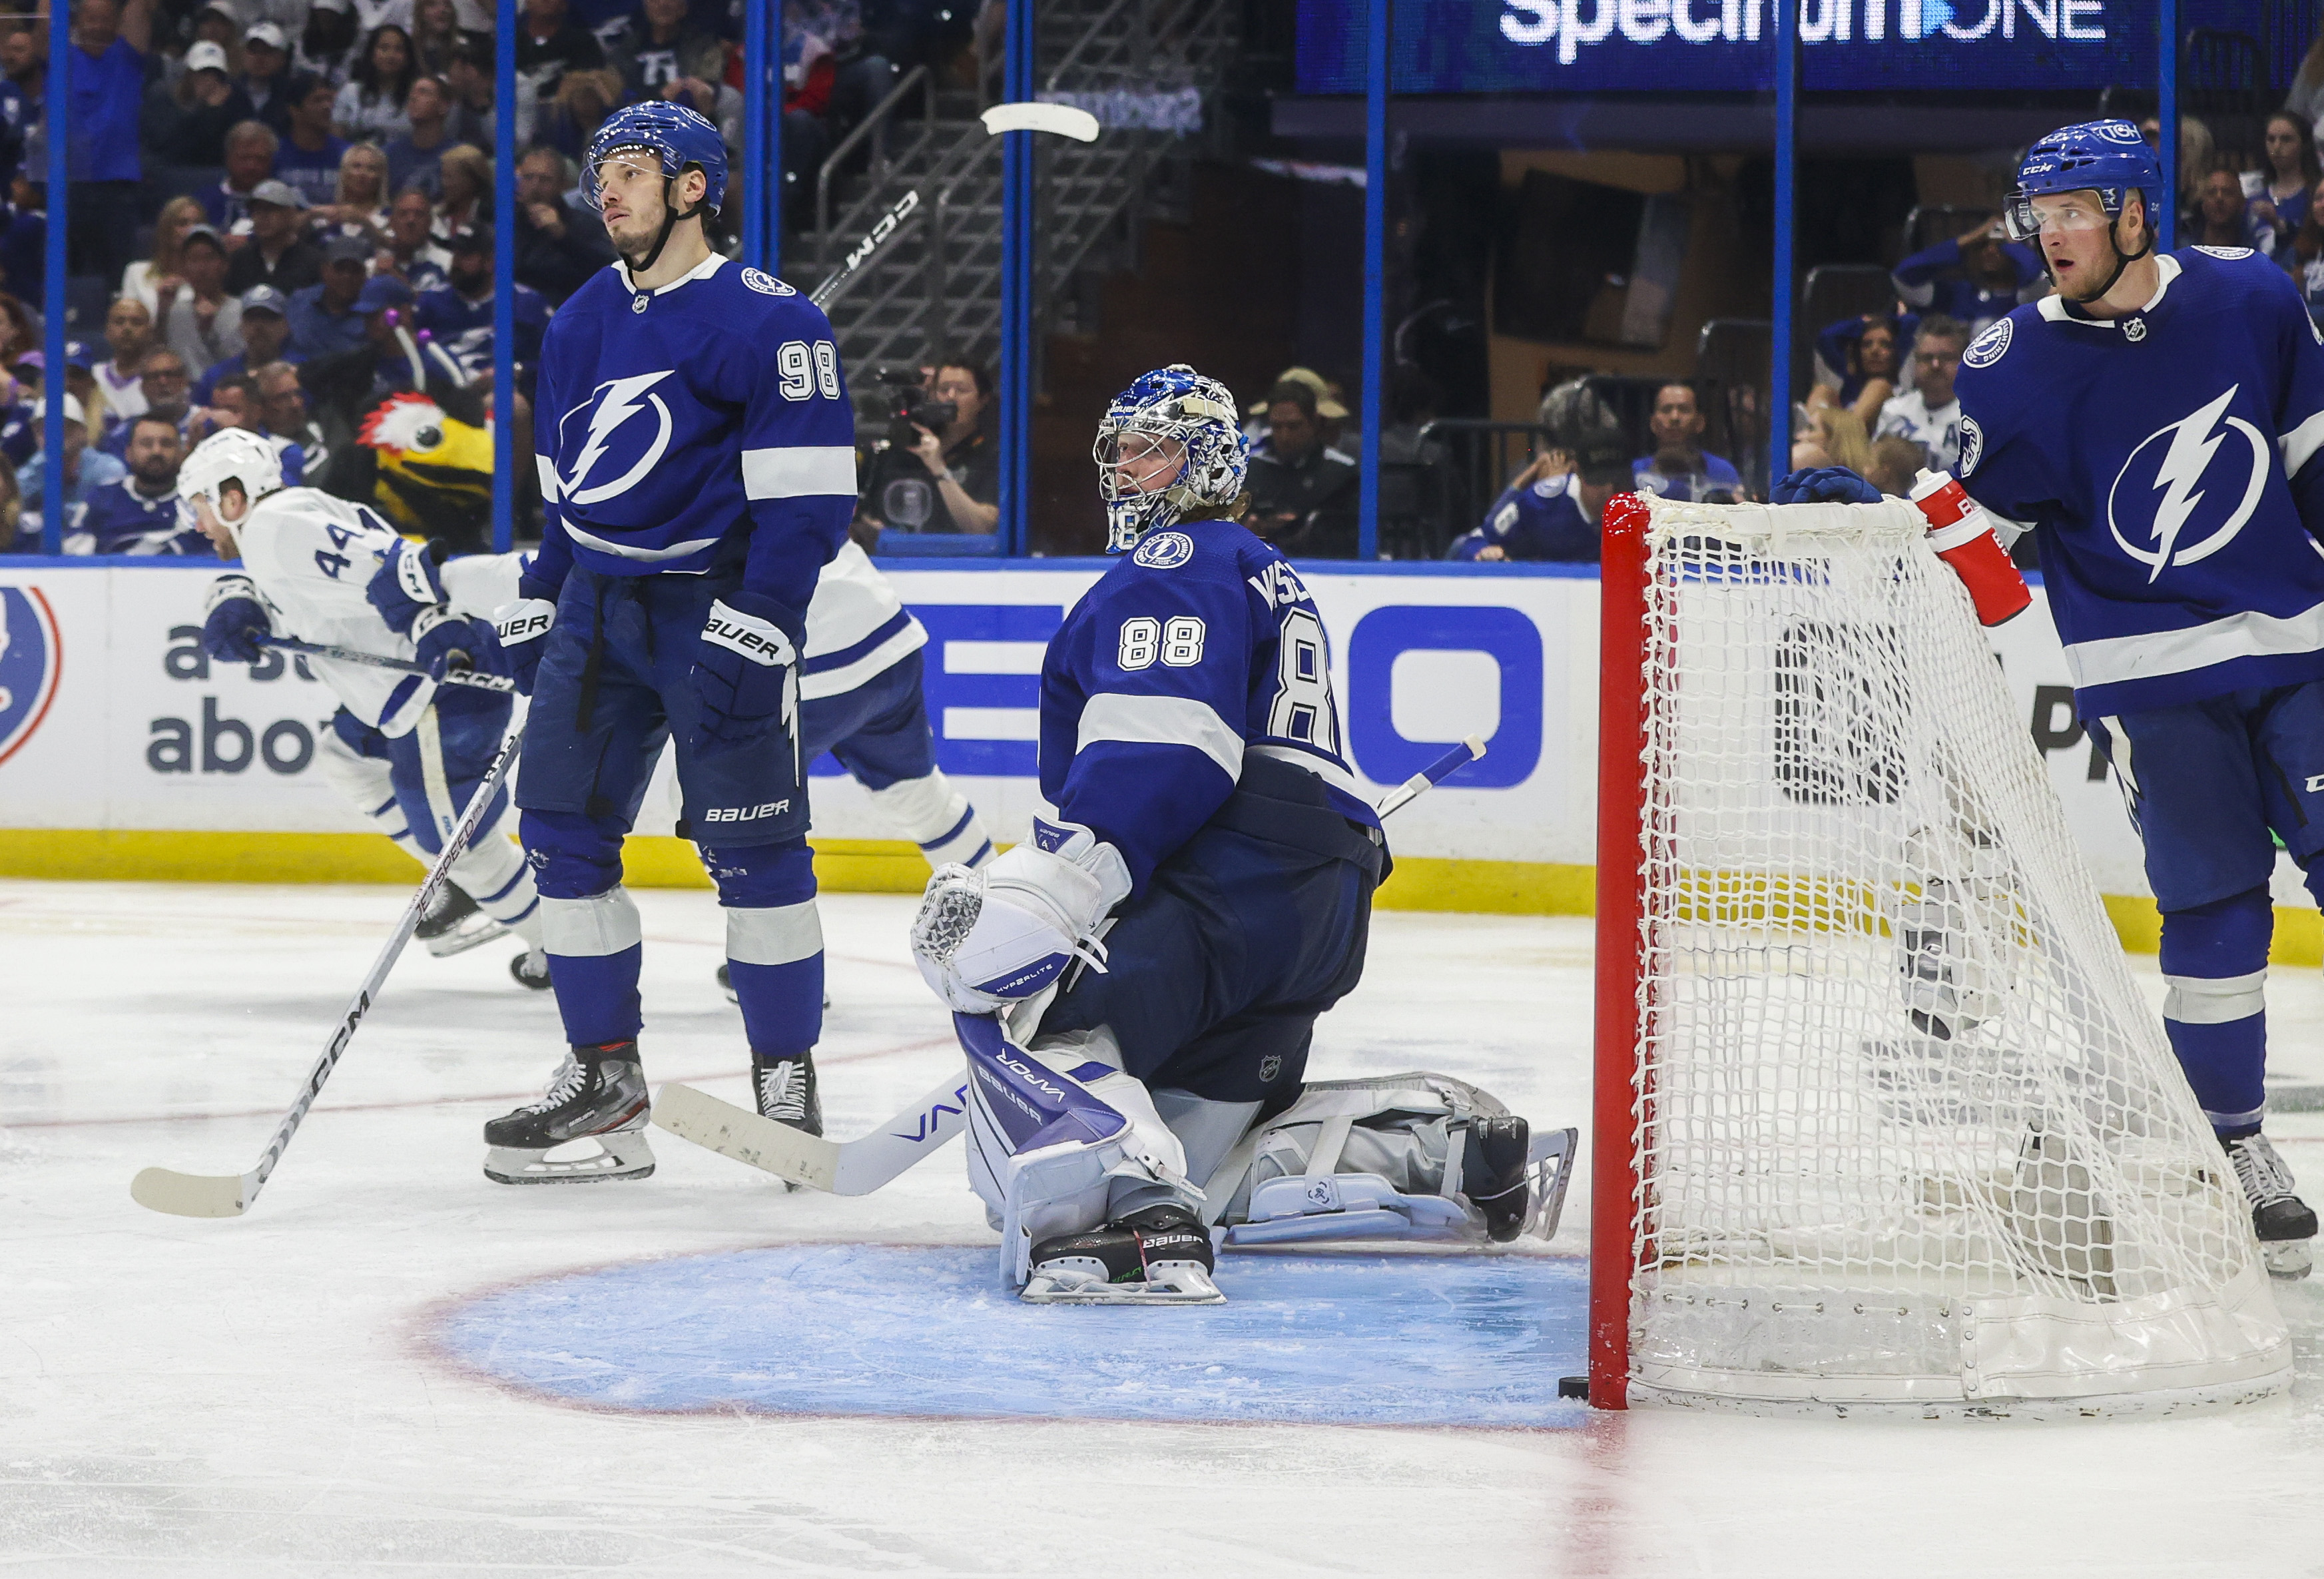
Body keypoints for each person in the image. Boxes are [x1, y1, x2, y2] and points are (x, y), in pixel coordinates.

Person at [1793, 119, 2324, 1281]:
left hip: (2300, 647)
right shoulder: (2006, 362)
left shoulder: (2253, 300)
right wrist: (1896, 513)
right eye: (2040, 215)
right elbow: (1987, 544)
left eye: (2077, 210)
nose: (2053, 235)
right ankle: (2237, 1148)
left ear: (2139, 214)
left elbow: (2313, 460)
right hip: (2150, 677)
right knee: (2216, 911)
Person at [906, 364, 1552, 1303]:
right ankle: (1433, 1151)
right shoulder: (1256, 565)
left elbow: (1167, 747)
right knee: (1191, 1136)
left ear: (1203, 460)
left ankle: (1139, 1222)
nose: (1124, 468)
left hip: (1229, 872)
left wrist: (1062, 888)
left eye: (1149, 448)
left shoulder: (1175, 561)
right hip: (1319, 899)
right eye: (1120, 448)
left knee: (1058, 1037)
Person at [476, 102, 852, 1185]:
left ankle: (786, 1077)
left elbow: (809, 502)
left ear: (695, 187)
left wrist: (763, 622)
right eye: (604, 174)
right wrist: (542, 595)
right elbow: (570, 487)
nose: (611, 192)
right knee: (556, 832)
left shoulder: (772, 324)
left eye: (634, 172)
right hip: (599, 608)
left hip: (714, 607)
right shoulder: (583, 318)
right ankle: (605, 1073)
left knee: (757, 852)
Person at [182, 428, 549, 986]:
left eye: (200, 507)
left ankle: (565, 954)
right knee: (344, 757)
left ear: (231, 496)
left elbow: (401, 569)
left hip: (438, 689)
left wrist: (434, 623)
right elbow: (337, 589)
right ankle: (467, 885)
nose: (198, 524)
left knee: (462, 846)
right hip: (404, 697)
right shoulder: (284, 520)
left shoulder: (275, 526)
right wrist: (240, 597)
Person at [856, 363, 998, 536]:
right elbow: (856, 520)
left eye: (961, 390)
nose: (951, 397)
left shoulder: (993, 454)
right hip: (891, 559)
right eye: (944, 389)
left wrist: (939, 469)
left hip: (961, 559)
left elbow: (983, 528)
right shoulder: (894, 451)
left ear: (983, 399)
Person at [414, 225, 546, 391]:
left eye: (466, 256)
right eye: (455, 255)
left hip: (501, 392)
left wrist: (516, 371)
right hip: (442, 389)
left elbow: (554, 358)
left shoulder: (527, 302)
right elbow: (412, 351)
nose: (456, 263)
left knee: (511, 404)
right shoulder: (431, 301)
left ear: (489, 262)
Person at [1449, 444, 1628, 562]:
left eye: (1617, 482)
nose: (1609, 490)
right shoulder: (1540, 501)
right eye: (1598, 481)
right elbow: (1482, 536)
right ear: (1578, 473)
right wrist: (1486, 553)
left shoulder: (1647, 499)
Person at [1243, 378, 1359, 556]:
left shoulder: (1341, 473)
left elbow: (1352, 539)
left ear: (1314, 422)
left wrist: (1305, 529)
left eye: (1294, 426)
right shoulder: (1250, 470)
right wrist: (1246, 530)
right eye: (1277, 426)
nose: (1285, 436)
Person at [70, 412, 205, 554]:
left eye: (166, 444)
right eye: (146, 444)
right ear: (128, 453)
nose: (156, 451)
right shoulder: (101, 499)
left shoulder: (200, 505)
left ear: (181, 454)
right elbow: (75, 557)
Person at [1892, 217, 2047, 337]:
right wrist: (1971, 238)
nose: (1990, 251)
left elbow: (2038, 274)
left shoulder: (2027, 296)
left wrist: (2012, 243)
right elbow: (1904, 276)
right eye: (1983, 245)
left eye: (1999, 246)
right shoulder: (1956, 295)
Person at [16, 393, 127, 542]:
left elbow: (111, 513)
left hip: (99, 548)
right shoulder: (35, 468)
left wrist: (49, 514)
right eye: (43, 429)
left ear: (83, 433)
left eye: (65, 427)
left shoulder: (108, 469)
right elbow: (10, 505)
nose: (53, 435)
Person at [513, 145, 615, 304]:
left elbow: (607, 269)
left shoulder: (584, 224)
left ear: (562, 185)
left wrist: (563, 237)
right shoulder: (504, 222)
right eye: (528, 178)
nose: (535, 187)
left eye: (545, 180)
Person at [1875, 312, 1968, 473]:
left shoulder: (1976, 416)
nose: (1936, 365)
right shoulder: (1894, 411)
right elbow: (1876, 472)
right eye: (1927, 358)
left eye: (1946, 357)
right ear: (1915, 362)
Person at [154, 226, 244, 377]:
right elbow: (157, 357)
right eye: (193, 260)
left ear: (224, 265)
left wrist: (208, 332)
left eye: (209, 258)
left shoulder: (241, 311)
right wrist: (162, 312)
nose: (201, 268)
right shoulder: (175, 311)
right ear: (183, 267)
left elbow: (240, 367)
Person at [1629, 381, 1741, 501]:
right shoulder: (1636, 471)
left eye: (1684, 410)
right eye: (1666, 410)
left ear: (1700, 422)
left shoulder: (1722, 471)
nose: (1675, 417)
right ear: (1653, 423)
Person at [192, 284, 299, 406]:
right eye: (251, 318)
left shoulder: (302, 371)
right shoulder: (217, 376)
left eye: (269, 318)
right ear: (241, 325)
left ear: (285, 325)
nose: (259, 326)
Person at [1809, 313, 1908, 431]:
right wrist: (1860, 323)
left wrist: (1889, 319)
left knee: (1878, 385)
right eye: (1867, 345)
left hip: (1868, 445)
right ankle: (1808, 434)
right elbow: (1826, 337)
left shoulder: (1903, 387)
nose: (1875, 350)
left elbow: (1912, 322)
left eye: (1885, 345)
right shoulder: (1850, 386)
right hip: (1834, 440)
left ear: (1895, 353)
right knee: (1823, 391)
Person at [224, 180, 324, 296]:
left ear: (290, 214)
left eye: (270, 209)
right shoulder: (239, 261)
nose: (262, 217)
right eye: (257, 210)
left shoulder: (314, 262)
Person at [272, 75, 353, 210]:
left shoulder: (348, 155)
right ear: (294, 110)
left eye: (329, 100)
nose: (327, 106)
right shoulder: (275, 154)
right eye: (318, 100)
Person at [287, 233, 373, 358]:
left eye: (355, 270)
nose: (347, 277)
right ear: (324, 271)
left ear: (365, 275)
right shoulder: (299, 302)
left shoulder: (372, 313)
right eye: (340, 269)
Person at [2251, 111, 2321, 265]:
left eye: (2286, 139)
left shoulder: (2316, 197)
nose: (2276, 147)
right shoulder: (2254, 197)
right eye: (2271, 139)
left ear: (2303, 144)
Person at [175, 39, 258, 166]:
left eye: (214, 74)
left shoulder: (239, 102)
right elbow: (181, 149)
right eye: (202, 73)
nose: (209, 80)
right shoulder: (170, 102)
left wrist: (214, 111)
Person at [334, 23, 416, 143]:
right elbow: (336, 140)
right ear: (371, 53)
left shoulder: (416, 95)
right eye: (384, 48)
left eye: (398, 49)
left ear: (408, 57)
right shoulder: (351, 91)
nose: (391, 56)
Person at [122, 196, 203, 317]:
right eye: (182, 224)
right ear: (166, 229)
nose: (191, 230)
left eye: (197, 224)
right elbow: (129, 327)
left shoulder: (209, 279)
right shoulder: (136, 272)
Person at [200, 120, 280, 234]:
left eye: (260, 159)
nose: (252, 166)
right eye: (244, 158)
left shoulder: (282, 203)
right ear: (228, 158)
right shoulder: (204, 201)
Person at [93, 296, 154, 425]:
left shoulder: (160, 378)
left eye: (136, 322)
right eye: (119, 322)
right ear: (107, 331)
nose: (127, 329)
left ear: (150, 332)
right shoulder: (92, 375)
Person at [376, 186, 450, 290]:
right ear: (391, 222)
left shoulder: (448, 264)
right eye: (403, 214)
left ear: (430, 222)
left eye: (419, 214)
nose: (411, 220)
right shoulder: (374, 267)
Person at [2189, 163, 2265, 252]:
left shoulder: (2253, 254)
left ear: (2242, 203)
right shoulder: (2185, 249)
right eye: (2212, 192)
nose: (2219, 198)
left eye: (2227, 192)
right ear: (2203, 202)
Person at [240, 19, 296, 133]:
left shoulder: (292, 96)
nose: (259, 59)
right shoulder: (229, 92)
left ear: (282, 58)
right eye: (253, 51)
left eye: (267, 52)